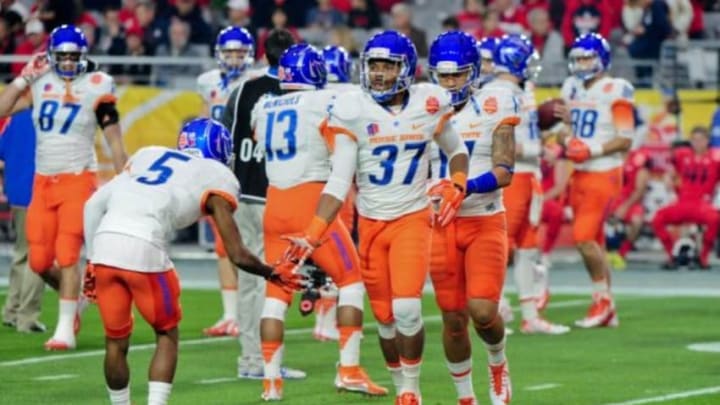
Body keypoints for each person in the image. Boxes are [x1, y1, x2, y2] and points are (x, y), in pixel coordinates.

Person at [281, 30, 470, 404]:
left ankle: (411, 390)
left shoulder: (428, 102)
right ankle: (400, 383)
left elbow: (457, 148)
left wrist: (459, 182)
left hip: (412, 219)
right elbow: (339, 179)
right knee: (384, 319)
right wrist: (313, 232)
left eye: (388, 65)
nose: (380, 74)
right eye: (374, 65)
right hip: (369, 223)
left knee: (407, 310)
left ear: (405, 68)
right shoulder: (353, 107)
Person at [83, 118, 306, 405]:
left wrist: (90, 260)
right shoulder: (216, 174)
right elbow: (236, 253)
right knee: (166, 334)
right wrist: (271, 273)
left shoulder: (147, 155)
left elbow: (92, 205)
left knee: (115, 341)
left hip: (104, 245)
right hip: (145, 246)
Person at [252, 43, 386, 401]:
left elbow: (257, 137)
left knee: (276, 293)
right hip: (309, 199)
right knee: (351, 281)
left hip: (274, 201)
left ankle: (270, 383)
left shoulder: (264, 105)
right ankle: (349, 369)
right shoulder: (326, 100)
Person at [0, 24, 127, 350]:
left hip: (77, 177)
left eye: (74, 56)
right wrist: (21, 79)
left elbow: (112, 134)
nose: (69, 62)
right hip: (43, 180)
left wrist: (124, 170)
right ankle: (78, 299)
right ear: (53, 56)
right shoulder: (40, 81)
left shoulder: (96, 84)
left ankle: (64, 330)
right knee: (40, 261)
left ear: (83, 56)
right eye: (63, 56)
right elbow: (2, 110)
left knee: (68, 253)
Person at [426, 31, 518, 405]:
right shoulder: (421, 106)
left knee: (482, 311)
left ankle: (498, 362)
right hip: (439, 225)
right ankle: (466, 398)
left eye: (457, 75)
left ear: (473, 73)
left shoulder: (496, 102)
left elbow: (505, 170)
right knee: (452, 320)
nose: (450, 83)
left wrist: (464, 187)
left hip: (483, 218)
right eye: (444, 76)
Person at [220, 28, 305, 380]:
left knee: (250, 280)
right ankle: (262, 360)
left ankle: (252, 358)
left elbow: (224, 136)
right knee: (272, 279)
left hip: (242, 193)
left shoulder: (241, 92)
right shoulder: (299, 92)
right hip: (277, 194)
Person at [556, 33, 635, 328]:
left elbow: (624, 139)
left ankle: (603, 302)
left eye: (587, 57)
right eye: (577, 58)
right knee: (596, 242)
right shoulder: (571, 86)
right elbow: (563, 129)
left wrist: (592, 148)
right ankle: (606, 305)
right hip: (581, 172)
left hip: (604, 169)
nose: (581, 63)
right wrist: (567, 140)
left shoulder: (617, 89)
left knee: (584, 238)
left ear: (602, 58)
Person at [499, 35, 569, 336]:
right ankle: (493, 307)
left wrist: (546, 138)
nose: (532, 67)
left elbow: (526, 135)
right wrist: (537, 150)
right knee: (500, 247)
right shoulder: (497, 93)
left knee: (528, 248)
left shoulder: (522, 89)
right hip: (512, 177)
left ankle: (530, 315)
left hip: (531, 177)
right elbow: (499, 144)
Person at [197, 26, 256, 338]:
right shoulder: (208, 82)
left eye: (239, 52)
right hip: (216, 168)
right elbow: (205, 118)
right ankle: (230, 314)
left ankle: (248, 311)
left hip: (243, 169)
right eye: (229, 52)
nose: (234, 59)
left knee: (242, 242)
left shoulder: (255, 81)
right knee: (222, 245)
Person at [311, 44, 357, 342]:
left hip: (316, 181)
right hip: (342, 180)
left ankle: (320, 313)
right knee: (342, 256)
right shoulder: (350, 96)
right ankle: (330, 321)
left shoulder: (311, 97)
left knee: (321, 253)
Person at [0, 109, 46, 333]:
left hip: (16, 191)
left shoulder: (16, 116)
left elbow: (2, 151)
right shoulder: (49, 118)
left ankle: (11, 310)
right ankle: (27, 317)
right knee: (38, 256)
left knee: (21, 252)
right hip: (39, 190)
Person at [652, 126, 720, 270]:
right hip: (683, 202)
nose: (697, 143)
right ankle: (672, 254)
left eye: (701, 140)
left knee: (715, 219)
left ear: (707, 141)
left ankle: (703, 257)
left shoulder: (716, 157)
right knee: (657, 218)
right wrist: (668, 176)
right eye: (694, 140)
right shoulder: (682, 154)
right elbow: (666, 167)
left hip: (702, 204)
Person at [606, 148, 651, 270]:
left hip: (631, 200)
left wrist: (625, 207)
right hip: (611, 199)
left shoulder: (638, 159)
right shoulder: (609, 159)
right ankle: (604, 252)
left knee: (637, 221)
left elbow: (640, 189)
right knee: (595, 216)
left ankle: (622, 253)